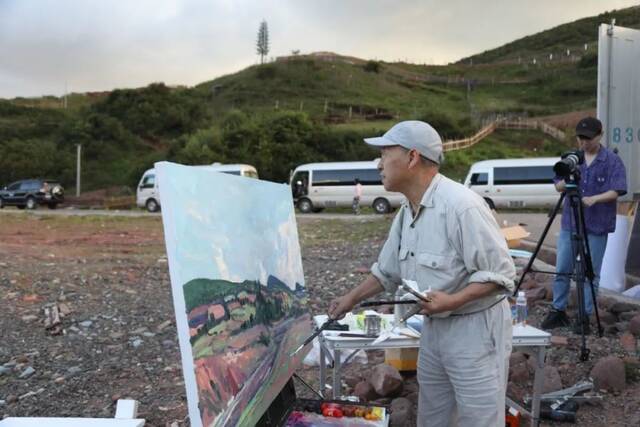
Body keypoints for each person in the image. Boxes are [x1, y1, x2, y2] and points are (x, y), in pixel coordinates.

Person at [328, 120, 516, 427]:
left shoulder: (462, 206)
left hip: (475, 331)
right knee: (433, 417)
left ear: (412, 157)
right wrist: (349, 299)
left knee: (478, 419)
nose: (379, 163)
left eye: (385, 153)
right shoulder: (406, 212)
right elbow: (385, 272)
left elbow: (500, 275)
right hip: (433, 329)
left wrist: (452, 301)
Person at [541, 117, 627, 334]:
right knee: (563, 268)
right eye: (580, 138)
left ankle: (585, 315)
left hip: (597, 224)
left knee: (591, 273)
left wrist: (595, 198)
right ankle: (557, 310)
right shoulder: (572, 158)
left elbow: (618, 189)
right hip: (571, 222)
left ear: (600, 135)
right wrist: (565, 182)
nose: (584, 142)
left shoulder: (611, 161)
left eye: (588, 138)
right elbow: (557, 185)